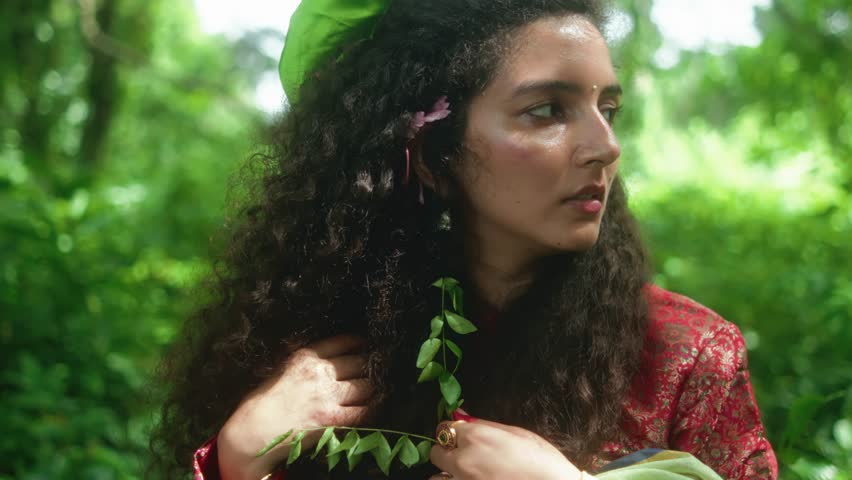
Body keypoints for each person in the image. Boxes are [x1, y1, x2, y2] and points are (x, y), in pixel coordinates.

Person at [149, 0, 779, 478]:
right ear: (432, 155)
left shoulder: (685, 355)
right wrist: (235, 454)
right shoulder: (324, 349)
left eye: (605, 109)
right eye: (548, 110)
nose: (605, 146)